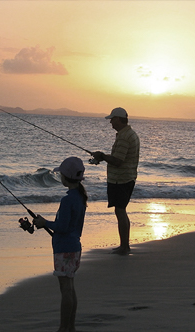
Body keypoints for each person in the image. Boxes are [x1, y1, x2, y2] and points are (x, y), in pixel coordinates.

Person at [33, 156, 87, 332]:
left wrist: (44, 223)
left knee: (65, 290)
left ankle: (64, 328)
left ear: (65, 177)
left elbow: (62, 227)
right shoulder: (80, 197)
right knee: (70, 288)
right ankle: (70, 327)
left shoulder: (67, 200)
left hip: (64, 250)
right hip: (75, 248)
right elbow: (72, 227)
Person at [91, 107, 140, 255]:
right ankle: (124, 245)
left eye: (112, 119)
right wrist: (104, 157)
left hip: (121, 180)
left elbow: (118, 161)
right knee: (120, 210)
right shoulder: (128, 134)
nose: (110, 122)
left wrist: (102, 156)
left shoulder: (125, 137)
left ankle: (124, 246)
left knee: (120, 210)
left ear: (118, 119)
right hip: (125, 178)